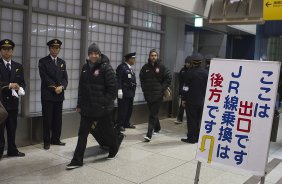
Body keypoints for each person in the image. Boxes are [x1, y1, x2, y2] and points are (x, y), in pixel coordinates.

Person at [66, 43, 122, 170]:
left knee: (108, 132)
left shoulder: (106, 68)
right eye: (91, 53)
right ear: (88, 54)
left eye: (96, 53)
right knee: (82, 134)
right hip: (87, 108)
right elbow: (82, 89)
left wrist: (103, 101)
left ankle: (114, 147)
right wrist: (79, 104)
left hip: (103, 109)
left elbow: (113, 90)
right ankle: (77, 160)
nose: (93, 55)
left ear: (99, 54)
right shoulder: (85, 68)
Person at [38, 39, 68, 150]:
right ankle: (47, 141)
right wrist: (55, 87)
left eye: (57, 48)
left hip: (59, 94)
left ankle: (56, 139)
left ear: (59, 49)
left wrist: (62, 86)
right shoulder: (43, 61)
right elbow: (44, 77)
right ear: (49, 48)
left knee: (57, 119)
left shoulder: (62, 62)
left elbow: (65, 78)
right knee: (47, 119)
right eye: (53, 47)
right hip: (48, 94)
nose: (55, 50)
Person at [0, 39, 26, 159]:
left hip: (13, 103)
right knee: (0, 130)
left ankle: (12, 150)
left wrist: (21, 88)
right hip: (1, 104)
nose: (7, 51)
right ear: (1, 51)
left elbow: (22, 82)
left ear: (12, 51)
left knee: (12, 128)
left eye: (9, 49)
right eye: (4, 49)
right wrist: (9, 85)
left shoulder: (18, 66)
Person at [140, 49, 171, 142]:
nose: (153, 57)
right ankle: (157, 128)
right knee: (153, 112)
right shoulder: (145, 68)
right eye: (152, 55)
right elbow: (141, 79)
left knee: (152, 114)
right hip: (148, 94)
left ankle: (149, 134)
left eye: (155, 55)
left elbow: (169, 78)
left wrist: (162, 88)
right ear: (149, 57)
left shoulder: (162, 67)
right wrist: (144, 89)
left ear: (157, 57)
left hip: (158, 95)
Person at [181, 53, 208, 144]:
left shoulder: (189, 73)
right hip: (201, 100)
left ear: (192, 62)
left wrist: (183, 99)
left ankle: (191, 138)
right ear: (200, 62)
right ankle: (197, 137)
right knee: (198, 119)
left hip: (191, 100)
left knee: (191, 119)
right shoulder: (205, 73)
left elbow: (185, 87)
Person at [116, 52, 137, 131]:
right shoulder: (122, 67)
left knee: (129, 109)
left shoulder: (129, 68)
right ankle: (120, 124)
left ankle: (126, 123)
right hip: (124, 92)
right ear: (129, 59)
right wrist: (119, 89)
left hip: (130, 92)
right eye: (134, 59)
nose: (135, 60)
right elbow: (119, 79)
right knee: (123, 109)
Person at [174, 56, 192, 124]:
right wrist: (180, 91)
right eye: (186, 63)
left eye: (189, 63)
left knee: (189, 106)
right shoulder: (182, 70)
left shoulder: (192, 70)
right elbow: (180, 82)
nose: (187, 64)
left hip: (190, 91)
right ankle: (179, 118)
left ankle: (189, 119)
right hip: (183, 90)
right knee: (182, 105)